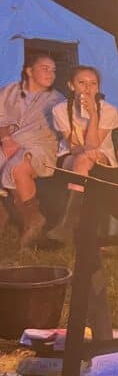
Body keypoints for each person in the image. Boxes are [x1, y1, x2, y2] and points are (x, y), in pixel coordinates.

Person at [48, 65, 118, 243]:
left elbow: (94, 145)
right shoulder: (60, 110)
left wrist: (94, 115)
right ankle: (71, 222)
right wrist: (84, 151)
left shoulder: (108, 110)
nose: (88, 88)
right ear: (71, 86)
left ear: (98, 88)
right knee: (82, 158)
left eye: (93, 84)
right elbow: (73, 147)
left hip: (102, 157)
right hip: (72, 156)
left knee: (86, 157)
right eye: (82, 83)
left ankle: (68, 223)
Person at [0, 54, 64, 248]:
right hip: (8, 142)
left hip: (40, 146)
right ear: (29, 71)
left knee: (18, 167)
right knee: (8, 160)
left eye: (53, 70)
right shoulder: (9, 91)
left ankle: (33, 220)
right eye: (45, 68)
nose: (51, 73)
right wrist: (6, 138)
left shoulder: (56, 99)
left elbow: (55, 132)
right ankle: (9, 216)